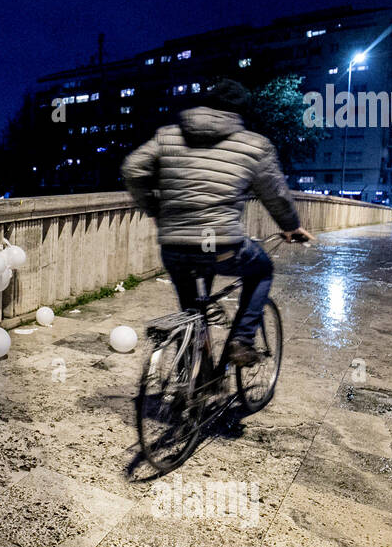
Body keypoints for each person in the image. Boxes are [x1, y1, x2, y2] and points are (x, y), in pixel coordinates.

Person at [122, 78, 312, 367]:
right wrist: (290, 226)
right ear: (238, 112)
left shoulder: (168, 135)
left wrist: (155, 209)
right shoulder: (254, 145)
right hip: (221, 245)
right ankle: (242, 341)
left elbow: (133, 168)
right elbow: (275, 194)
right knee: (262, 271)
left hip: (174, 245)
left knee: (191, 309)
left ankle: (195, 374)